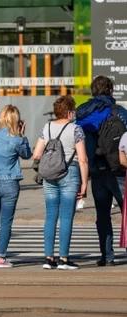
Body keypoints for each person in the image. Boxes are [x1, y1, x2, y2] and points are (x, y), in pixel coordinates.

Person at [76, 76, 127, 266]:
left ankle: (107, 256)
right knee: (126, 213)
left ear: (93, 91)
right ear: (111, 90)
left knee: (102, 215)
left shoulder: (82, 113)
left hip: (96, 168)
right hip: (119, 169)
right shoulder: (118, 111)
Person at [33, 96, 88, 270]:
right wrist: (84, 183)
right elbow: (83, 159)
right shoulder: (76, 129)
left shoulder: (47, 127)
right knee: (66, 217)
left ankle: (48, 258)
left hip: (49, 175)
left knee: (50, 216)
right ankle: (63, 259)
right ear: (70, 112)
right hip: (69, 173)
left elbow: (36, 154)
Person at [0, 105, 32, 268]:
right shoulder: (17, 139)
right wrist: (23, 135)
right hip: (10, 182)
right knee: (6, 222)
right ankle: (1, 258)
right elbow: (27, 154)